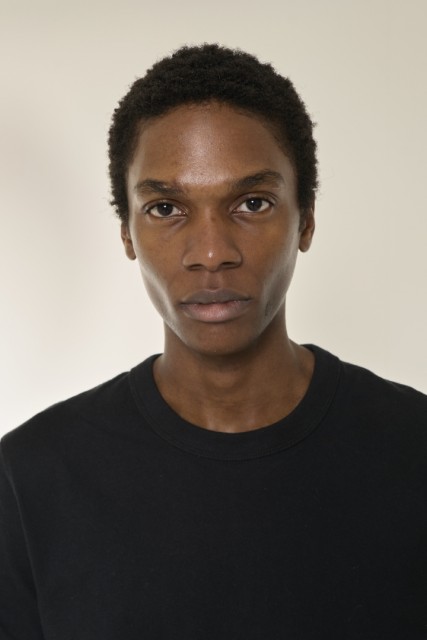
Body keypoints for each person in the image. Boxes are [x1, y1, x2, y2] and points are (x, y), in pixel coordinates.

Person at [1, 44, 426, 639]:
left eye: (252, 203)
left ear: (305, 218)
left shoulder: (414, 450)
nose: (211, 253)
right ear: (126, 232)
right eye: (166, 208)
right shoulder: (30, 479)